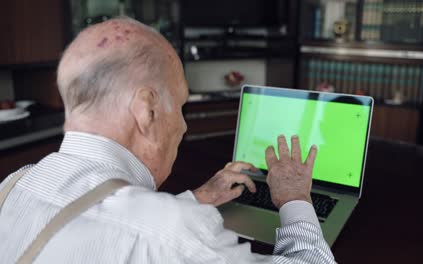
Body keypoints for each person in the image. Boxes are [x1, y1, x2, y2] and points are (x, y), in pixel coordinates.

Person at [0, 18, 335, 263]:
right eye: (180, 104)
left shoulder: (13, 185)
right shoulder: (170, 232)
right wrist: (295, 197)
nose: (185, 125)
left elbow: (97, 218)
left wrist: (195, 198)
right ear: (146, 110)